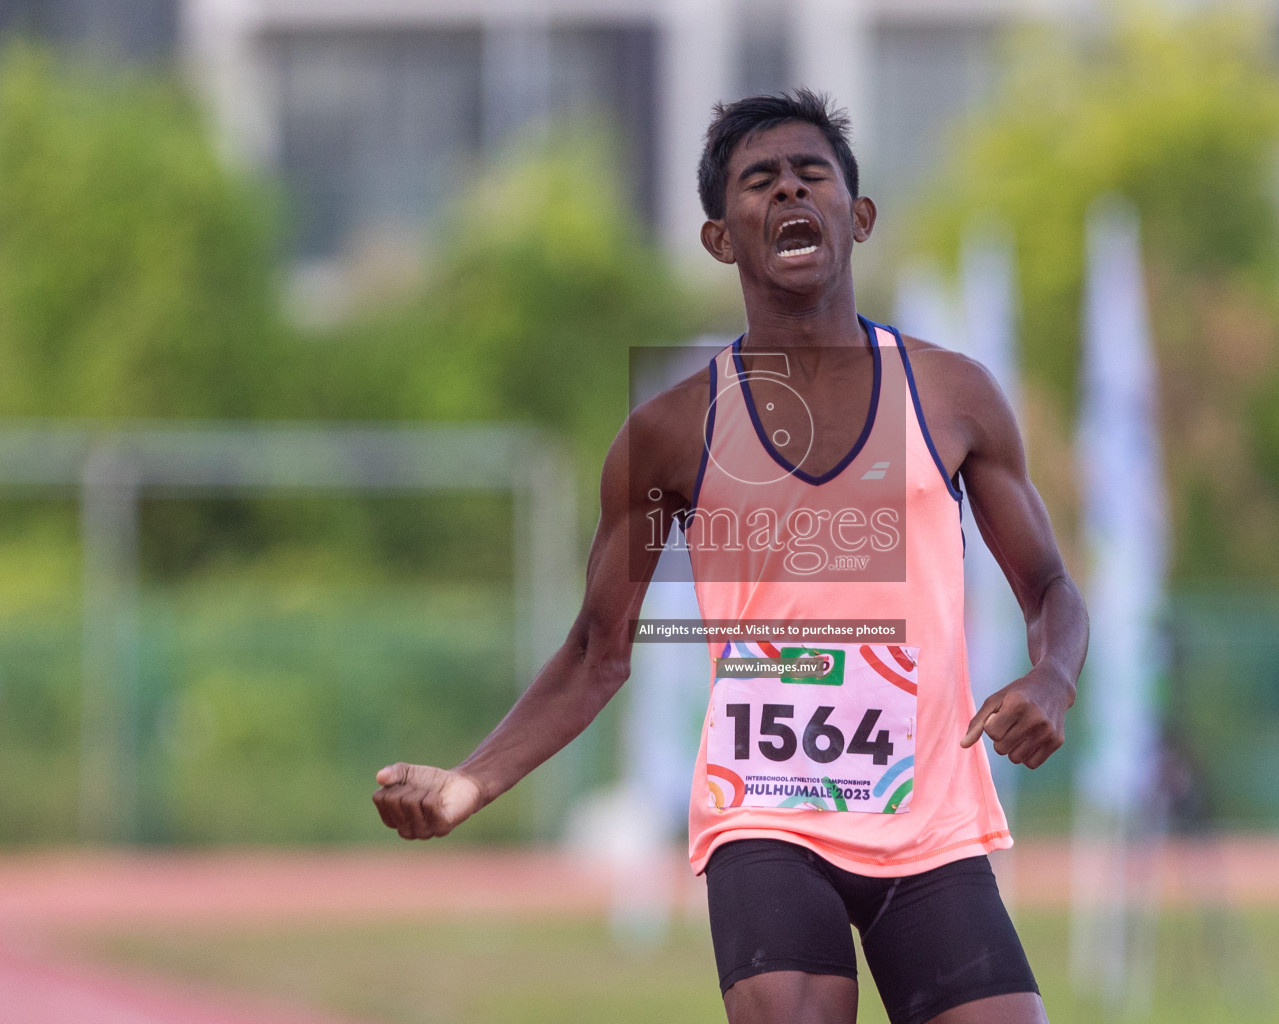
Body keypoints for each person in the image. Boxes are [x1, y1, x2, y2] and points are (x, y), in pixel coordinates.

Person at [372, 89, 1089, 1024]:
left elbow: (1048, 587)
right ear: (722, 238)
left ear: (855, 216)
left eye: (811, 174)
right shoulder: (669, 433)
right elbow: (598, 650)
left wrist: (1053, 679)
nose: (789, 190)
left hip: (930, 823)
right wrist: (468, 783)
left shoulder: (952, 395)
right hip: (768, 814)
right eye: (759, 181)